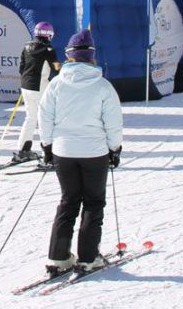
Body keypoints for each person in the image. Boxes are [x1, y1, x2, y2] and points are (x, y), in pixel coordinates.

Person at [39, 28, 123, 275]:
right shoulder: (103, 86)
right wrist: (114, 149)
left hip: (64, 151)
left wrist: (47, 146)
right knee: (93, 203)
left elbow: (45, 117)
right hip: (94, 152)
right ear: (91, 56)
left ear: (69, 55)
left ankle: (58, 257)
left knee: (69, 201)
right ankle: (88, 257)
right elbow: (113, 122)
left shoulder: (56, 84)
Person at [14, 21, 61, 162]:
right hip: (40, 86)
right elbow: (57, 69)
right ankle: (48, 153)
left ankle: (23, 149)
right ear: (49, 35)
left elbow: (21, 68)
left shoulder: (26, 46)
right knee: (45, 118)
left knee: (30, 117)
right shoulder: (48, 49)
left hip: (26, 86)